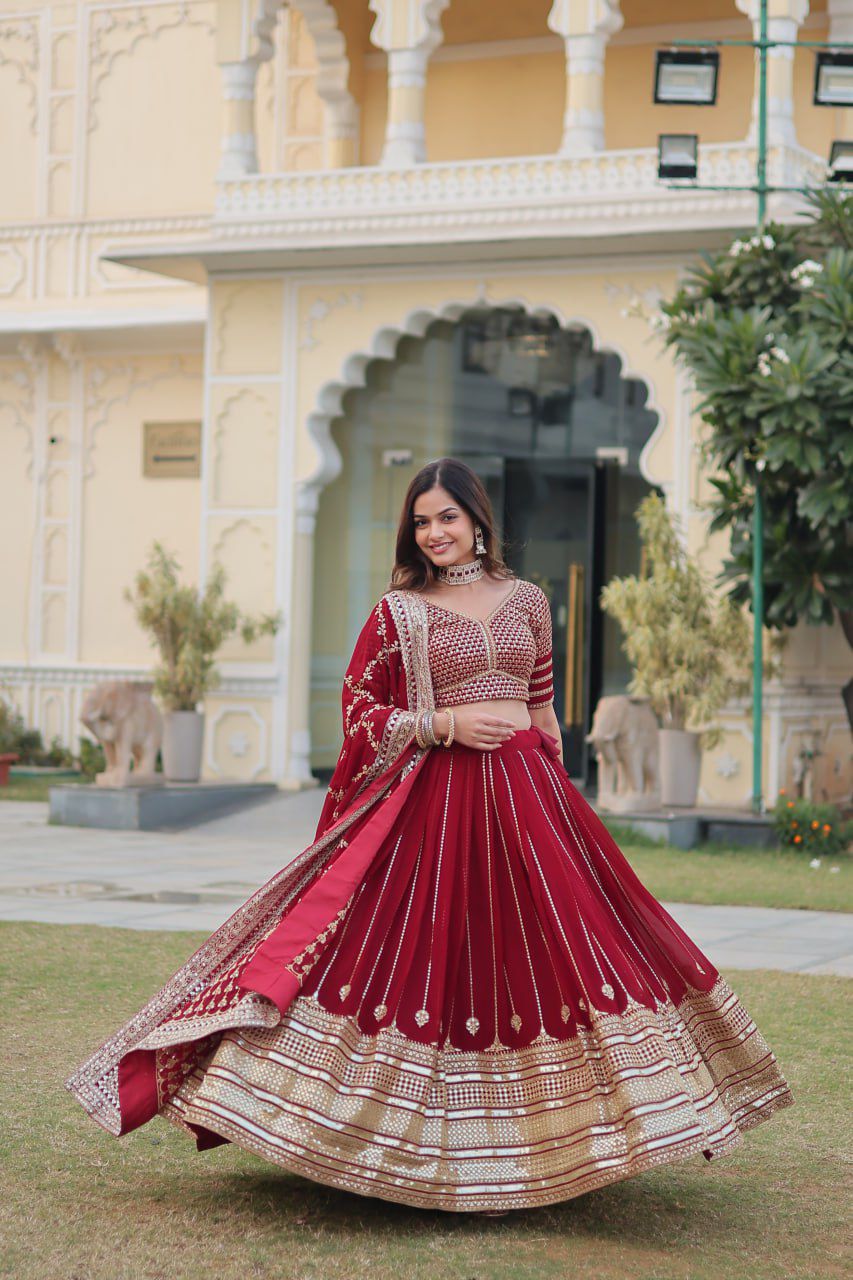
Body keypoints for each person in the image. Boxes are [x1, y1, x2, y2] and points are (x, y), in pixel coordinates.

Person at [66, 456, 794, 1214]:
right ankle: (372, 1137)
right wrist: (440, 723)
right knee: (427, 957)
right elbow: (358, 714)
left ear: (477, 519)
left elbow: (543, 713)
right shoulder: (398, 613)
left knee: (552, 954)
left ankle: (570, 1136)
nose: (434, 532)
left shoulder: (529, 602)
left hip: (532, 804)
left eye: (447, 516)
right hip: (437, 809)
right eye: (421, 521)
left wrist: (570, 809)